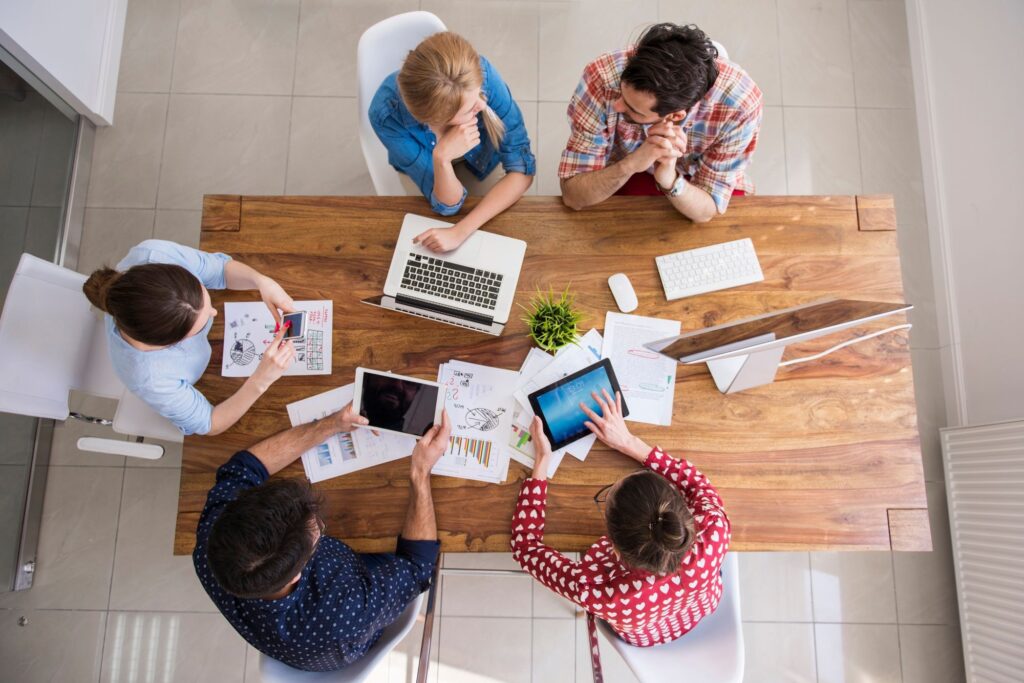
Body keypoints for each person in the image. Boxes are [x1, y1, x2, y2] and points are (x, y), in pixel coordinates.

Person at [193, 402, 451, 672]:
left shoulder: (214, 541)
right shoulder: (346, 609)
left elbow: (244, 468)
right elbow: (417, 567)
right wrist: (420, 472)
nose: (319, 521)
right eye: (317, 530)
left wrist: (331, 424)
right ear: (297, 574)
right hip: (342, 633)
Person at [510, 389, 730, 677]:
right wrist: (629, 443)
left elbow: (525, 548)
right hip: (700, 608)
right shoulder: (714, 529)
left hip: (645, 637)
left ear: (611, 546)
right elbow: (698, 484)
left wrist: (541, 462)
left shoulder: (601, 593)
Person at [82, 239, 297, 436]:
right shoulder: (149, 377)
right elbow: (210, 423)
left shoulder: (154, 253)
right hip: (208, 382)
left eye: (203, 293)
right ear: (172, 344)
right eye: (200, 324)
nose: (214, 313)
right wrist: (260, 381)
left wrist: (261, 281)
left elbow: (220, 270)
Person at [558, 23, 763, 222]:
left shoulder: (741, 105)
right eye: (622, 92)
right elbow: (573, 196)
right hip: (625, 167)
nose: (617, 106)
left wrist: (669, 179)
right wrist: (630, 164)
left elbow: (706, 211)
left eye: (633, 109)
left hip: (697, 176)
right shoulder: (600, 77)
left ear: (674, 116)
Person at [370, 31, 535, 252]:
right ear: (435, 120)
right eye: (469, 109)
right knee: (430, 226)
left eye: (479, 94)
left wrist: (460, 231)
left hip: (483, 158)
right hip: (431, 166)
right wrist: (442, 158)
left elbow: (521, 170)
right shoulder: (386, 115)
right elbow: (446, 206)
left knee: (498, 232)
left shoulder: (478, 73)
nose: (481, 105)